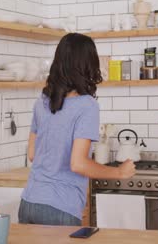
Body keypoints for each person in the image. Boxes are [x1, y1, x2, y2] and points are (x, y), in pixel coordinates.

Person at [18, 33, 136, 226]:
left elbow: (32, 154)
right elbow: (78, 164)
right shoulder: (86, 105)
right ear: (88, 65)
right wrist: (119, 173)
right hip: (60, 207)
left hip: (29, 202)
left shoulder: (42, 102)